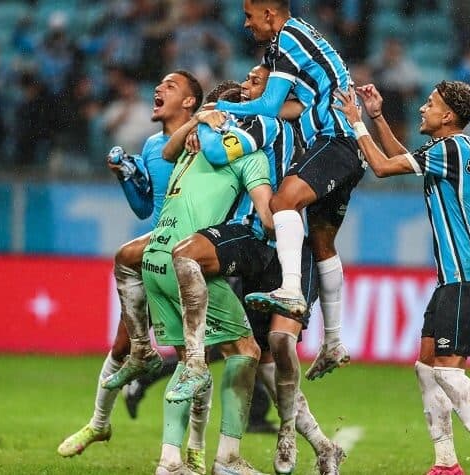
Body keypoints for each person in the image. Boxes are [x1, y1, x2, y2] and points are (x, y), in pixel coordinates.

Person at [163, 65, 345, 474]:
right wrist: (203, 121)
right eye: (245, 83)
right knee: (259, 355)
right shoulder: (261, 127)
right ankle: (319, 444)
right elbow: (178, 151)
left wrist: (208, 119)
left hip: (289, 250)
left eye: (255, 83)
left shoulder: (271, 127)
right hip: (257, 247)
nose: (247, 88)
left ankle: (283, 431)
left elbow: (219, 147)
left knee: (280, 343)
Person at [333, 81, 470, 475]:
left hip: (468, 275)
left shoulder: (453, 147)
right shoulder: (448, 151)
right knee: (428, 367)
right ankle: (446, 462)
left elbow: (382, 168)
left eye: (430, 104)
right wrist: (377, 116)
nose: (422, 109)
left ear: (448, 115)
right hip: (453, 277)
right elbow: (400, 157)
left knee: (448, 370)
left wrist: (357, 123)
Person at [111, 83, 273, 475]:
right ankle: (228, 460)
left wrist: (199, 120)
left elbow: (167, 151)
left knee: (188, 360)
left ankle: (170, 461)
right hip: (188, 263)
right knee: (246, 351)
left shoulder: (188, 148)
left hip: (155, 261)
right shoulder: (250, 153)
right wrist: (284, 229)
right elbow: (267, 217)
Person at [215, 0, 366, 381]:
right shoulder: (297, 40)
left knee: (284, 200)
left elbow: (268, 103)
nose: (245, 24)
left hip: (335, 140)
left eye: (250, 16)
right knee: (322, 242)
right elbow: (291, 107)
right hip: (347, 146)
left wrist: (215, 108)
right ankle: (333, 342)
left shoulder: (287, 40)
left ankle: (292, 291)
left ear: (269, 13)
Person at [56, 70, 204, 458]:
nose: (159, 89)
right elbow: (144, 209)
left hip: (191, 257)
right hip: (154, 255)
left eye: (171, 87)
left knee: (195, 357)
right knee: (124, 346)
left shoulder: (204, 141)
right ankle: (99, 424)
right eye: (159, 85)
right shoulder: (154, 145)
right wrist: (126, 177)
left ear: (190, 102)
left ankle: (192, 452)